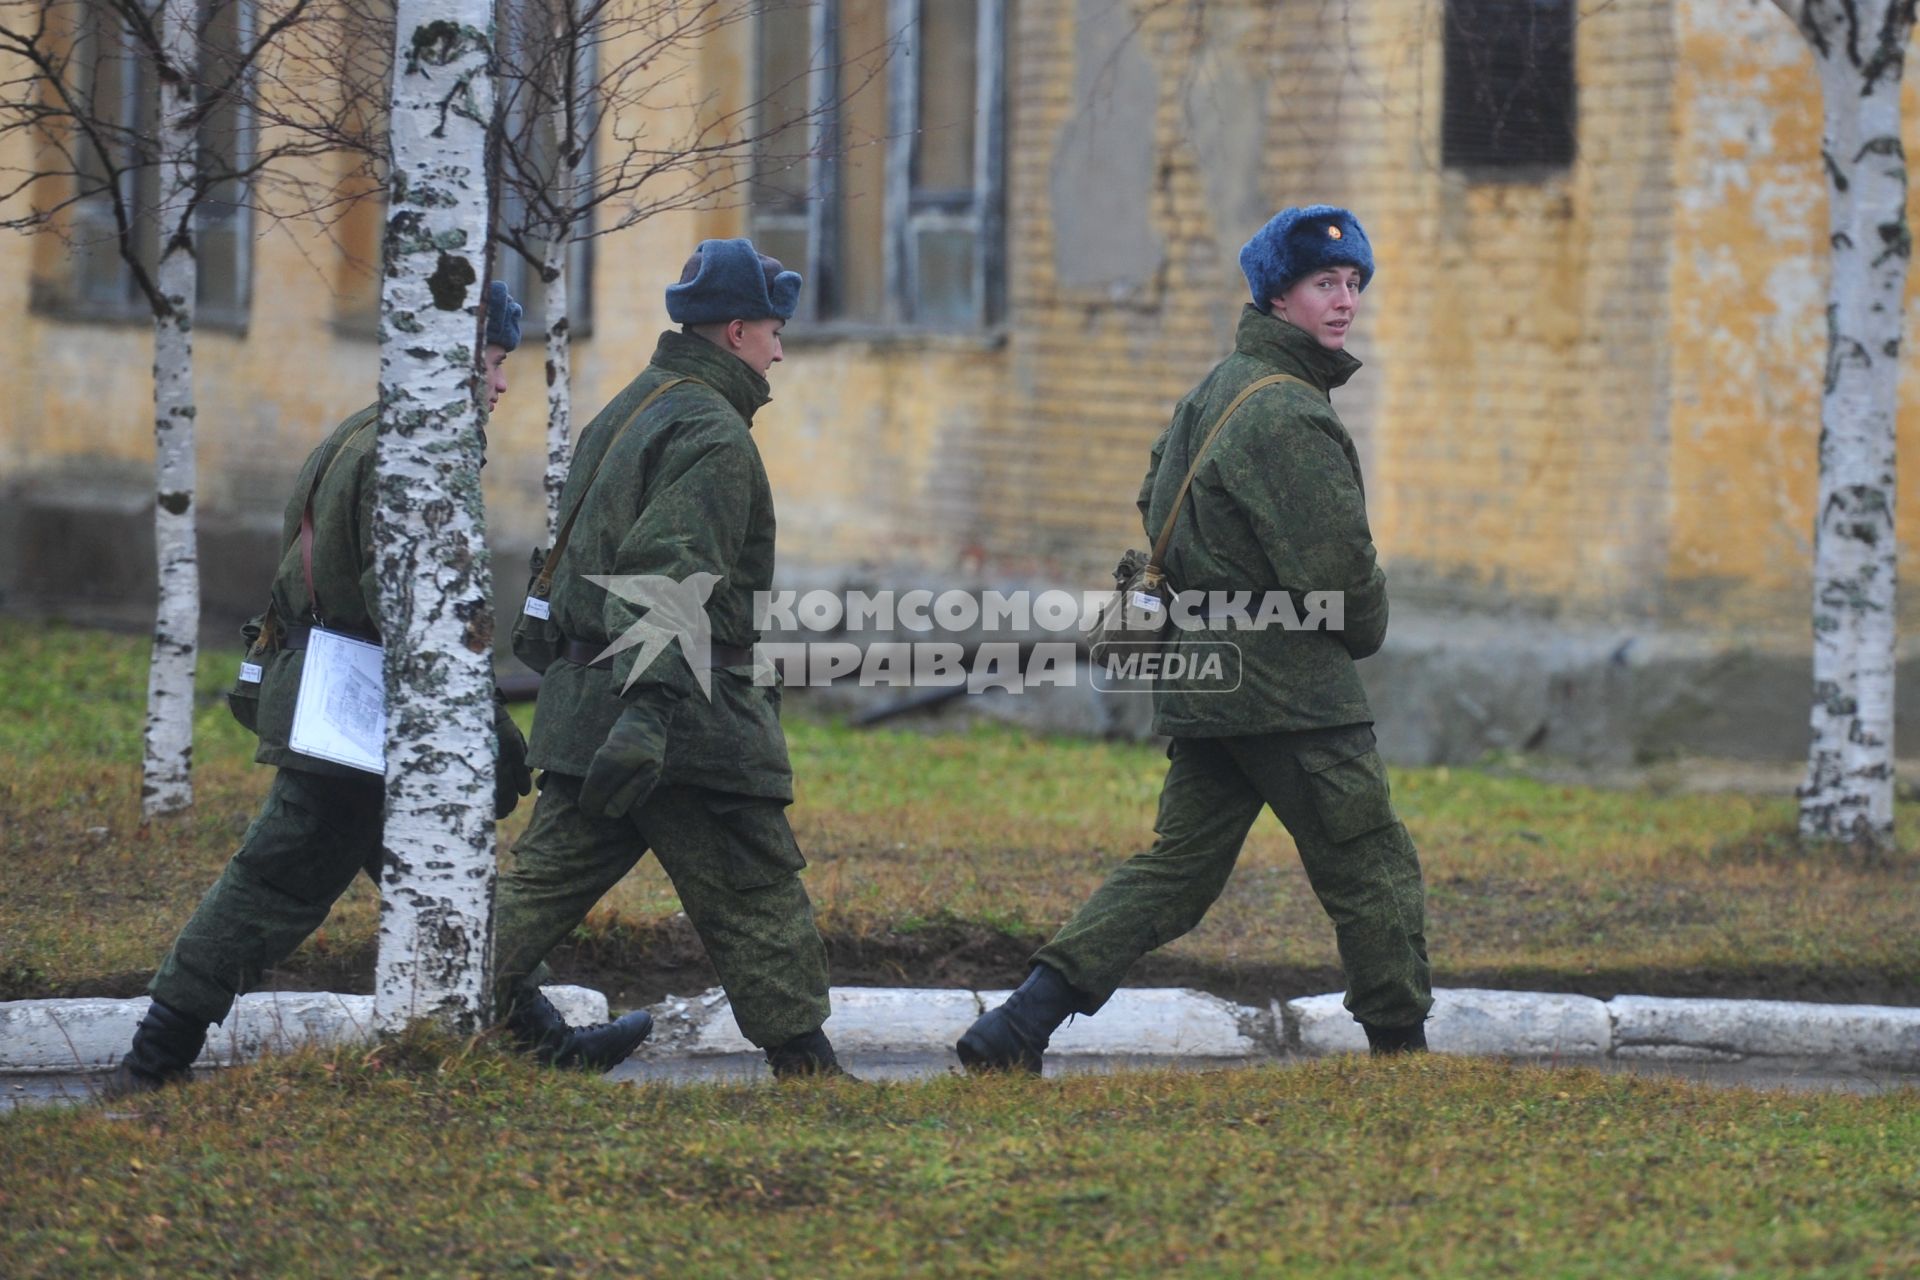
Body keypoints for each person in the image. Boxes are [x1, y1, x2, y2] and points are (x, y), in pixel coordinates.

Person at [108, 282, 651, 1094]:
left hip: (342, 704)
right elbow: (421, 622)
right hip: (363, 720)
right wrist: (493, 742)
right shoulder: (416, 459)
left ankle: (537, 1036)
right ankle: (151, 1062)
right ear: (451, 357)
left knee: (442, 872)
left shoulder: (360, 434)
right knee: (272, 883)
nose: (503, 383)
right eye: (495, 360)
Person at [957, 206, 1432, 1073]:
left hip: (1205, 678)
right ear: (1277, 297)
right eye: (1324, 283)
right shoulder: (1290, 414)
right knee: (1371, 865)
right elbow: (1342, 577)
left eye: (1354, 283)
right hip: (1290, 691)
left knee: (1176, 871)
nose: (1345, 301)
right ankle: (1403, 1055)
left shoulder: (1213, 392)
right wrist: (1359, 625)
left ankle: (1017, 1024)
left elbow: (1155, 500)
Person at [490, 238, 845, 1080]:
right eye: (771, 330)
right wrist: (648, 717)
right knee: (757, 887)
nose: (780, 350)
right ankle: (812, 1073)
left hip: (588, 710)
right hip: (687, 717)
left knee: (532, 895)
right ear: (733, 333)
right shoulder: (713, 433)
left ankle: (424, 1008)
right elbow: (665, 575)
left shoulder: (631, 408)